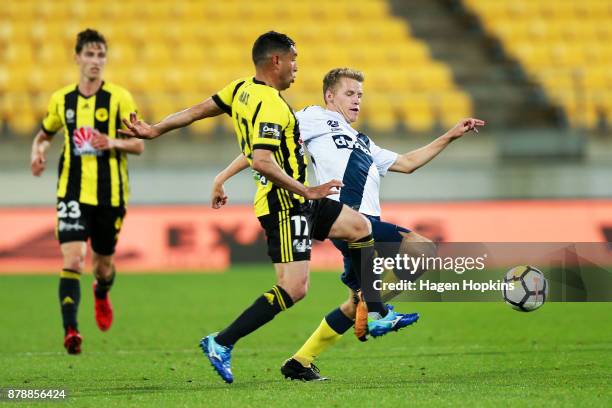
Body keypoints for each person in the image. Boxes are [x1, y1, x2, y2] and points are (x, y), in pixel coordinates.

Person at [118, 31, 397, 384]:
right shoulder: (270, 105)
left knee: (360, 227)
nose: (297, 67)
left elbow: (194, 111)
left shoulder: (239, 89)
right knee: (294, 288)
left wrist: (156, 130)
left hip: (298, 200)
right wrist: (307, 189)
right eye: (293, 59)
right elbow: (263, 161)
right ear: (275, 61)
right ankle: (221, 341)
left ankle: (374, 307)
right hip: (286, 204)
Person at [211, 67, 485, 380]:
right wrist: (222, 177)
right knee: (422, 249)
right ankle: (378, 308)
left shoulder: (364, 142)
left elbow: (408, 163)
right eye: (349, 94)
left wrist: (450, 135)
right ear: (330, 96)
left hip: (361, 228)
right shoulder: (313, 117)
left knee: (354, 303)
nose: (357, 101)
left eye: (360, 96)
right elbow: (261, 145)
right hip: (345, 217)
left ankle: (300, 361)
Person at [30, 29, 144, 355]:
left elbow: (138, 144)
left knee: (103, 265)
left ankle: (101, 291)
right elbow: (44, 134)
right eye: (90, 55)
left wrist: (112, 142)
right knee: (74, 257)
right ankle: (71, 330)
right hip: (71, 192)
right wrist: (36, 152)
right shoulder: (60, 99)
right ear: (77, 57)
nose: (96, 61)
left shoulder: (120, 98)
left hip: (111, 194)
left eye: (101, 55)